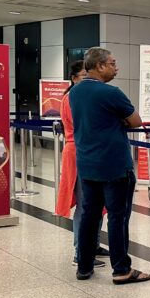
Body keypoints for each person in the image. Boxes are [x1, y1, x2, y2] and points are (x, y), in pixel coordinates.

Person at [68, 47, 150, 284]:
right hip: (114, 166)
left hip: (88, 165)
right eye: (113, 63)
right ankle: (121, 270)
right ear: (100, 66)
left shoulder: (75, 92)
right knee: (117, 217)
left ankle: (84, 267)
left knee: (89, 217)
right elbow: (135, 121)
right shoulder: (112, 93)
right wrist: (119, 119)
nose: (117, 67)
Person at [54, 61, 105, 269]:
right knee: (86, 206)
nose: (88, 79)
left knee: (97, 203)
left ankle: (93, 245)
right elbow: (85, 125)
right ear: (74, 78)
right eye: (84, 75)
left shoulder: (82, 96)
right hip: (79, 153)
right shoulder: (72, 98)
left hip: (92, 152)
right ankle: (80, 251)